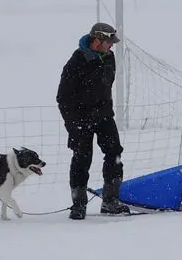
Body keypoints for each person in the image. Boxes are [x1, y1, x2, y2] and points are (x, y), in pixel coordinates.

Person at [56, 22, 131, 220]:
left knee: (114, 154)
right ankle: (78, 204)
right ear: (97, 40)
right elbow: (62, 98)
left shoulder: (109, 58)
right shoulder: (76, 62)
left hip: (104, 116)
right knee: (82, 158)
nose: (112, 46)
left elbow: (106, 85)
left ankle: (110, 201)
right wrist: (72, 123)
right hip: (79, 119)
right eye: (109, 42)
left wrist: (103, 109)